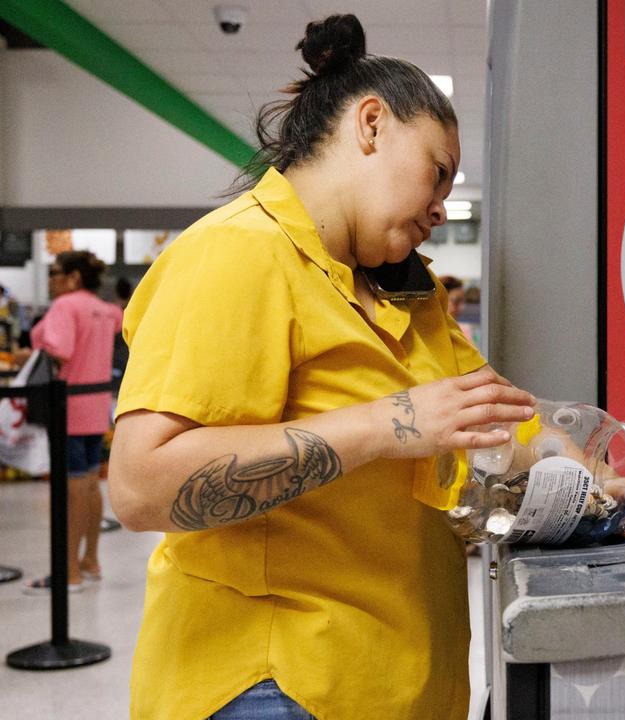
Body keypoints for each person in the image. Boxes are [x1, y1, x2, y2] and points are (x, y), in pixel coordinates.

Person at [107, 15, 536, 720]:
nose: (440, 207)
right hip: (279, 685)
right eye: (437, 173)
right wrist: (391, 424)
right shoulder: (241, 252)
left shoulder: (404, 286)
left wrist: (599, 470)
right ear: (371, 125)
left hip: (396, 679)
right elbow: (140, 485)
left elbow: (489, 418)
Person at [25, 250, 123, 592]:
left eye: (55, 274)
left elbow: (59, 350)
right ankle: (90, 560)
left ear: (73, 277)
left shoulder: (65, 308)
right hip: (96, 408)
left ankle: (68, 572)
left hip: (67, 410)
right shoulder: (106, 310)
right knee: (91, 484)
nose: (50, 281)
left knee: (71, 489)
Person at [439, 274, 475, 342]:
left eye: (463, 301)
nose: (462, 308)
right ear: (440, 300)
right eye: (456, 301)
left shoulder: (463, 331)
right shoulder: (427, 332)